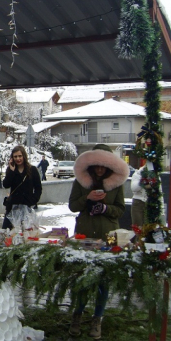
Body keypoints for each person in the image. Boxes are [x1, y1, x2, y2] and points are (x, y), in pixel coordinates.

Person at [68, 144, 128, 339]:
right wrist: (88, 198)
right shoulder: (81, 182)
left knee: (103, 279)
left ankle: (97, 318)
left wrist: (105, 209)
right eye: (97, 166)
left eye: (104, 166)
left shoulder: (116, 184)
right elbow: (72, 206)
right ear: (92, 165)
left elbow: (120, 209)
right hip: (85, 234)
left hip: (107, 236)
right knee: (82, 278)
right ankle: (77, 314)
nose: (100, 170)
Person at [2, 146, 42, 230]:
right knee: (7, 232)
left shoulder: (32, 170)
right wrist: (11, 172)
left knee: (26, 233)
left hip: (27, 206)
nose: (18, 159)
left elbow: (38, 188)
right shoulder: (10, 170)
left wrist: (33, 200)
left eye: (20, 156)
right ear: (12, 158)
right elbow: (6, 184)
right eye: (15, 156)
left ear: (24, 156)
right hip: (13, 207)